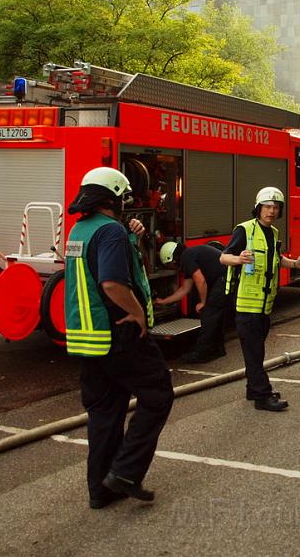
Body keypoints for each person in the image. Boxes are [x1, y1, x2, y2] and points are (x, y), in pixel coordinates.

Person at [64, 166, 174, 508]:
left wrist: (132, 236)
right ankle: (126, 472)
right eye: (124, 197)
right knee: (157, 396)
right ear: (113, 197)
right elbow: (111, 282)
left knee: (105, 413)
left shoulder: (80, 230)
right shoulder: (110, 231)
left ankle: (102, 491)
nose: (128, 203)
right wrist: (138, 312)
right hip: (121, 333)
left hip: (88, 340)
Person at [220, 186, 300, 412]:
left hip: (265, 305)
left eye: (275, 207)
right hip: (246, 304)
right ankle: (262, 395)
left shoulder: (274, 233)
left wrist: (294, 264)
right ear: (258, 208)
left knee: (257, 349)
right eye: (267, 207)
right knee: (253, 352)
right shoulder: (244, 230)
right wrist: (238, 258)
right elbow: (223, 258)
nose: (271, 211)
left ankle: (253, 388)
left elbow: (275, 259)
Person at [155, 241, 229, 363]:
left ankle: (202, 353)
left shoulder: (187, 257)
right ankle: (217, 349)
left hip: (222, 279)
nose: (173, 268)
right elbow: (185, 288)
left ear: (172, 259)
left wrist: (203, 303)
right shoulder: (190, 254)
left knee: (209, 315)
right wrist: (163, 301)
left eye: (170, 265)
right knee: (216, 316)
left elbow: (200, 281)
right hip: (224, 277)